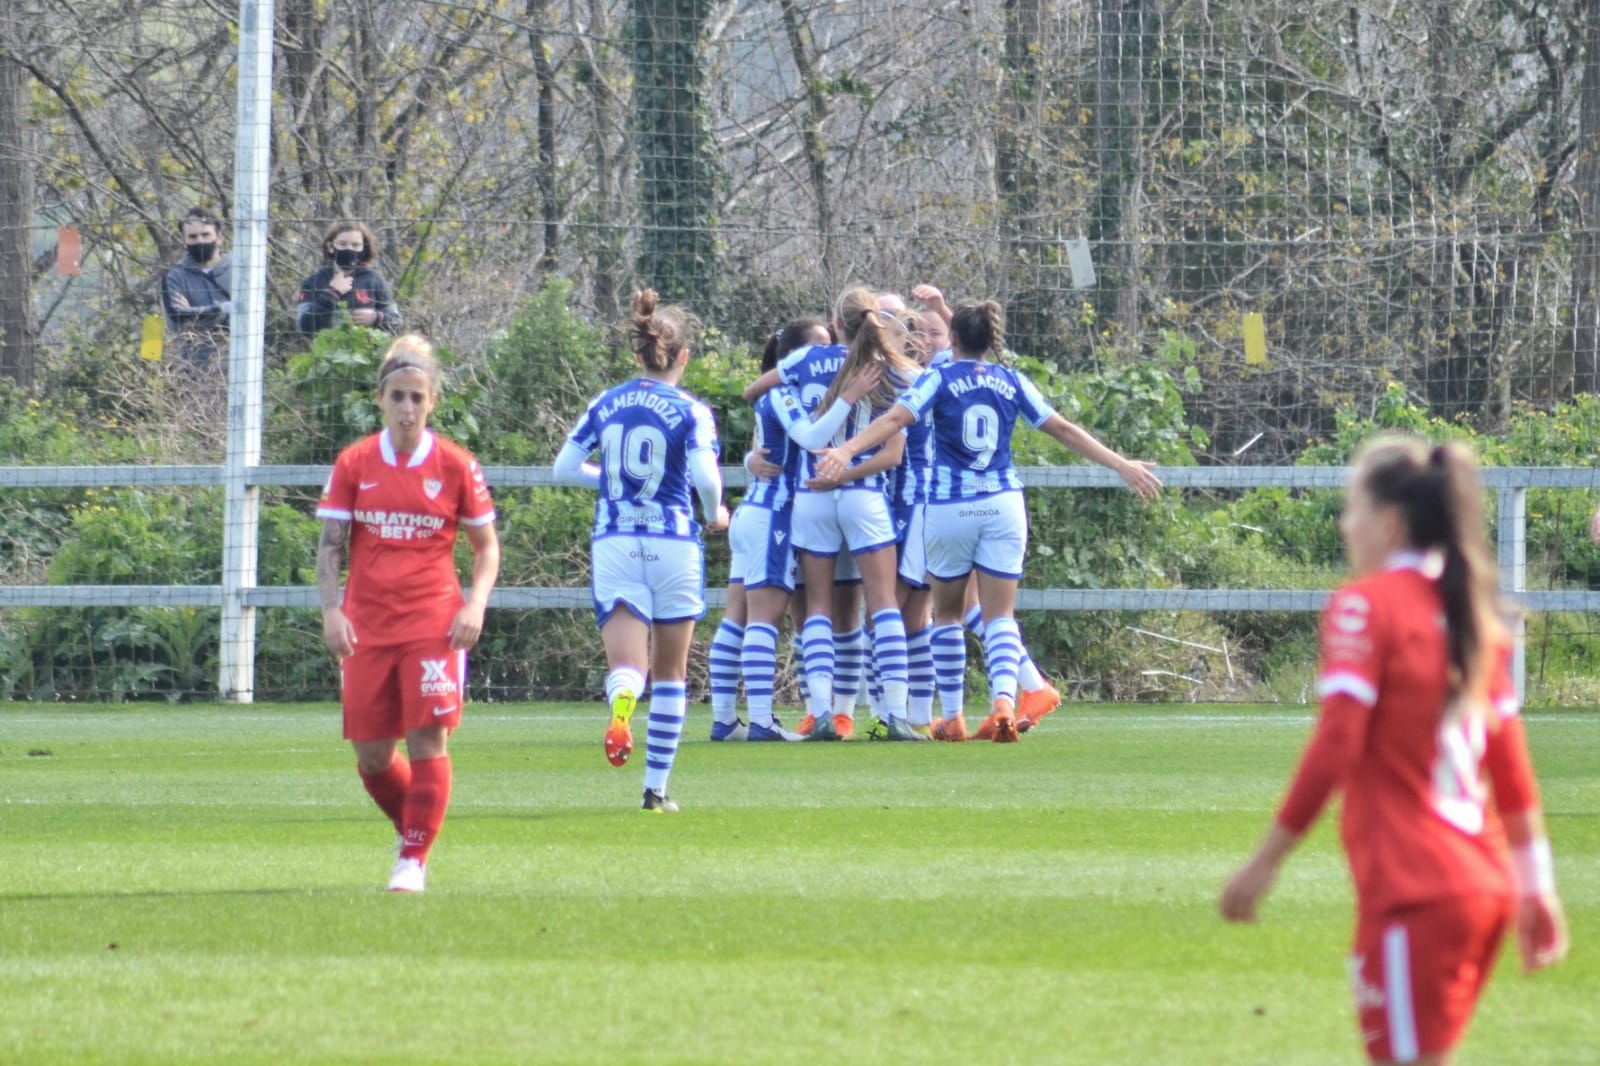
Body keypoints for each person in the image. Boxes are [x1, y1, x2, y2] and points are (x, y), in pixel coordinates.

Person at [1220, 436, 1568, 1065]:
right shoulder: (1472, 617)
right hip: (1479, 887)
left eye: (1350, 508)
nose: (1341, 523)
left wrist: (1266, 860)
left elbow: (1338, 740)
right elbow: (1512, 775)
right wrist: (1535, 889)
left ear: (1387, 523)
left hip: (1417, 890)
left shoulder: (1366, 605)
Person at [815, 299, 1160, 741]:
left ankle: (953, 716)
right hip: (1003, 505)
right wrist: (1121, 465)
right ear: (991, 340)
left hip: (949, 508)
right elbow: (1063, 429)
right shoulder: (1011, 380)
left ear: (952, 338)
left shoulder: (938, 377)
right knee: (1000, 616)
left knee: (947, 614)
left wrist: (845, 450)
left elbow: (898, 417)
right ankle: (1003, 701)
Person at [315, 334, 500, 893]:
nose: (407, 408)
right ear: (381, 399)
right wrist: (331, 610)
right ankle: (413, 827)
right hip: (367, 622)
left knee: (427, 742)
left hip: (432, 622)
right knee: (372, 756)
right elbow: (330, 545)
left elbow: (486, 548)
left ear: (433, 402)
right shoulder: (355, 462)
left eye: (418, 398)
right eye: (398, 397)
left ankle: (413, 859)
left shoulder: (456, 466)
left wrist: (475, 603)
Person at [553, 288, 728, 811]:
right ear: (684, 357)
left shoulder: (605, 403)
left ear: (638, 355)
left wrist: (609, 483)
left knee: (628, 665)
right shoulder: (691, 411)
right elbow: (706, 477)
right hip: (673, 540)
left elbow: (562, 469)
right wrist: (712, 512)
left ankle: (624, 700)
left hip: (617, 541)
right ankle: (656, 789)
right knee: (672, 672)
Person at [746, 288, 926, 741]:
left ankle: (822, 712)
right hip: (862, 490)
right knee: (884, 604)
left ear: (835, 322)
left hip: (812, 492)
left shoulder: (802, 362)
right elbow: (899, 441)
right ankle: (895, 715)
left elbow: (754, 391)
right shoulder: (886, 369)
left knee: (819, 608)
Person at [708, 319, 879, 741]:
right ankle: (761, 721)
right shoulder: (783, 394)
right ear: (796, 358)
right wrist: (850, 397)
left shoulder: (782, 394)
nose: (828, 359)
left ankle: (726, 718)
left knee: (737, 618)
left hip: (756, 511)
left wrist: (749, 461)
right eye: (819, 348)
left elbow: (764, 446)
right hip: (773, 514)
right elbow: (812, 437)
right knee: (763, 619)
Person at [296, 220, 403, 336]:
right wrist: (332, 293)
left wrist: (375, 318)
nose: (349, 249)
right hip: (326, 352)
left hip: (368, 352)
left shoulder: (374, 280)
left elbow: (397, 322)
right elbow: (304, 327)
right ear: (330, 247)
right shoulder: (314, 281)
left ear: (364, 249)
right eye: (342, 244)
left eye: (355, 245)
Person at [160, 207, 232, 366]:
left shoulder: (240, 271)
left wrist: (194, 312)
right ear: (183, 240)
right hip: (194, 372)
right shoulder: (174, 277)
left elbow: (250, 315)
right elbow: (178, 319)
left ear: (219, 237)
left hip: (240, 366)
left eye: (206, 234)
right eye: (192, 236)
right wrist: (224, 309)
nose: (200, 241)